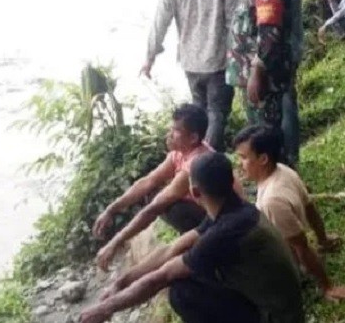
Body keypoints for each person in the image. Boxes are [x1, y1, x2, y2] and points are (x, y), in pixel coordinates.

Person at [79, 152, 305, 323]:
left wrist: (105, 308)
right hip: (281, 301)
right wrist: (121, 282)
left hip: (277, 317)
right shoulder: (233, 209)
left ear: (195, 193)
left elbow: (160, 277)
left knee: (182, 293)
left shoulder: (224, 231)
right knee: (187, 273)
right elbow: (171, 249)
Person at [93, 104, 242, 271]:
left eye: (176, 130)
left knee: (169, 205)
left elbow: (155, 208)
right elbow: (147, 181)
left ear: (193, 137)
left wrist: (114, 242)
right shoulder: (180, 153)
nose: (169, 134)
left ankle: (204, 246)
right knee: (152, 192)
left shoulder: (195, 163)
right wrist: (111, 210)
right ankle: (194, 239)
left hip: (227, 222)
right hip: (214, 213)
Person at [233, 125, 345, 302]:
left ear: (263, 159)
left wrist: (327, 287)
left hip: (283, 261)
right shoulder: (283, 170)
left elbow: (302, 247)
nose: (240, 163)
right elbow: (310, 208)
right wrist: (323, 239)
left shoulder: (272, 200)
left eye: (244, 157)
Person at [142, 0, 238, 152]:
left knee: (199, 113)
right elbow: (235, 21)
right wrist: (240, 57)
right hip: (218, 59)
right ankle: (206, 163)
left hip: (190, 60)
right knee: (216, 113)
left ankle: (197, 164)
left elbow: (160, 21)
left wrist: (150, 57)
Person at [227, 0, 293, 130]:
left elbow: (269, 30)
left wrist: (257, 71)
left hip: (263, 76)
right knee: (260, 133)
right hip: (252, 73)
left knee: (265, 135)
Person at [273, 0, 302, 168]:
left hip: (284, 51)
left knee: (286, 103)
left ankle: (290, 158)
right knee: (286, 101)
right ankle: (288, 155)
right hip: (287, 49)